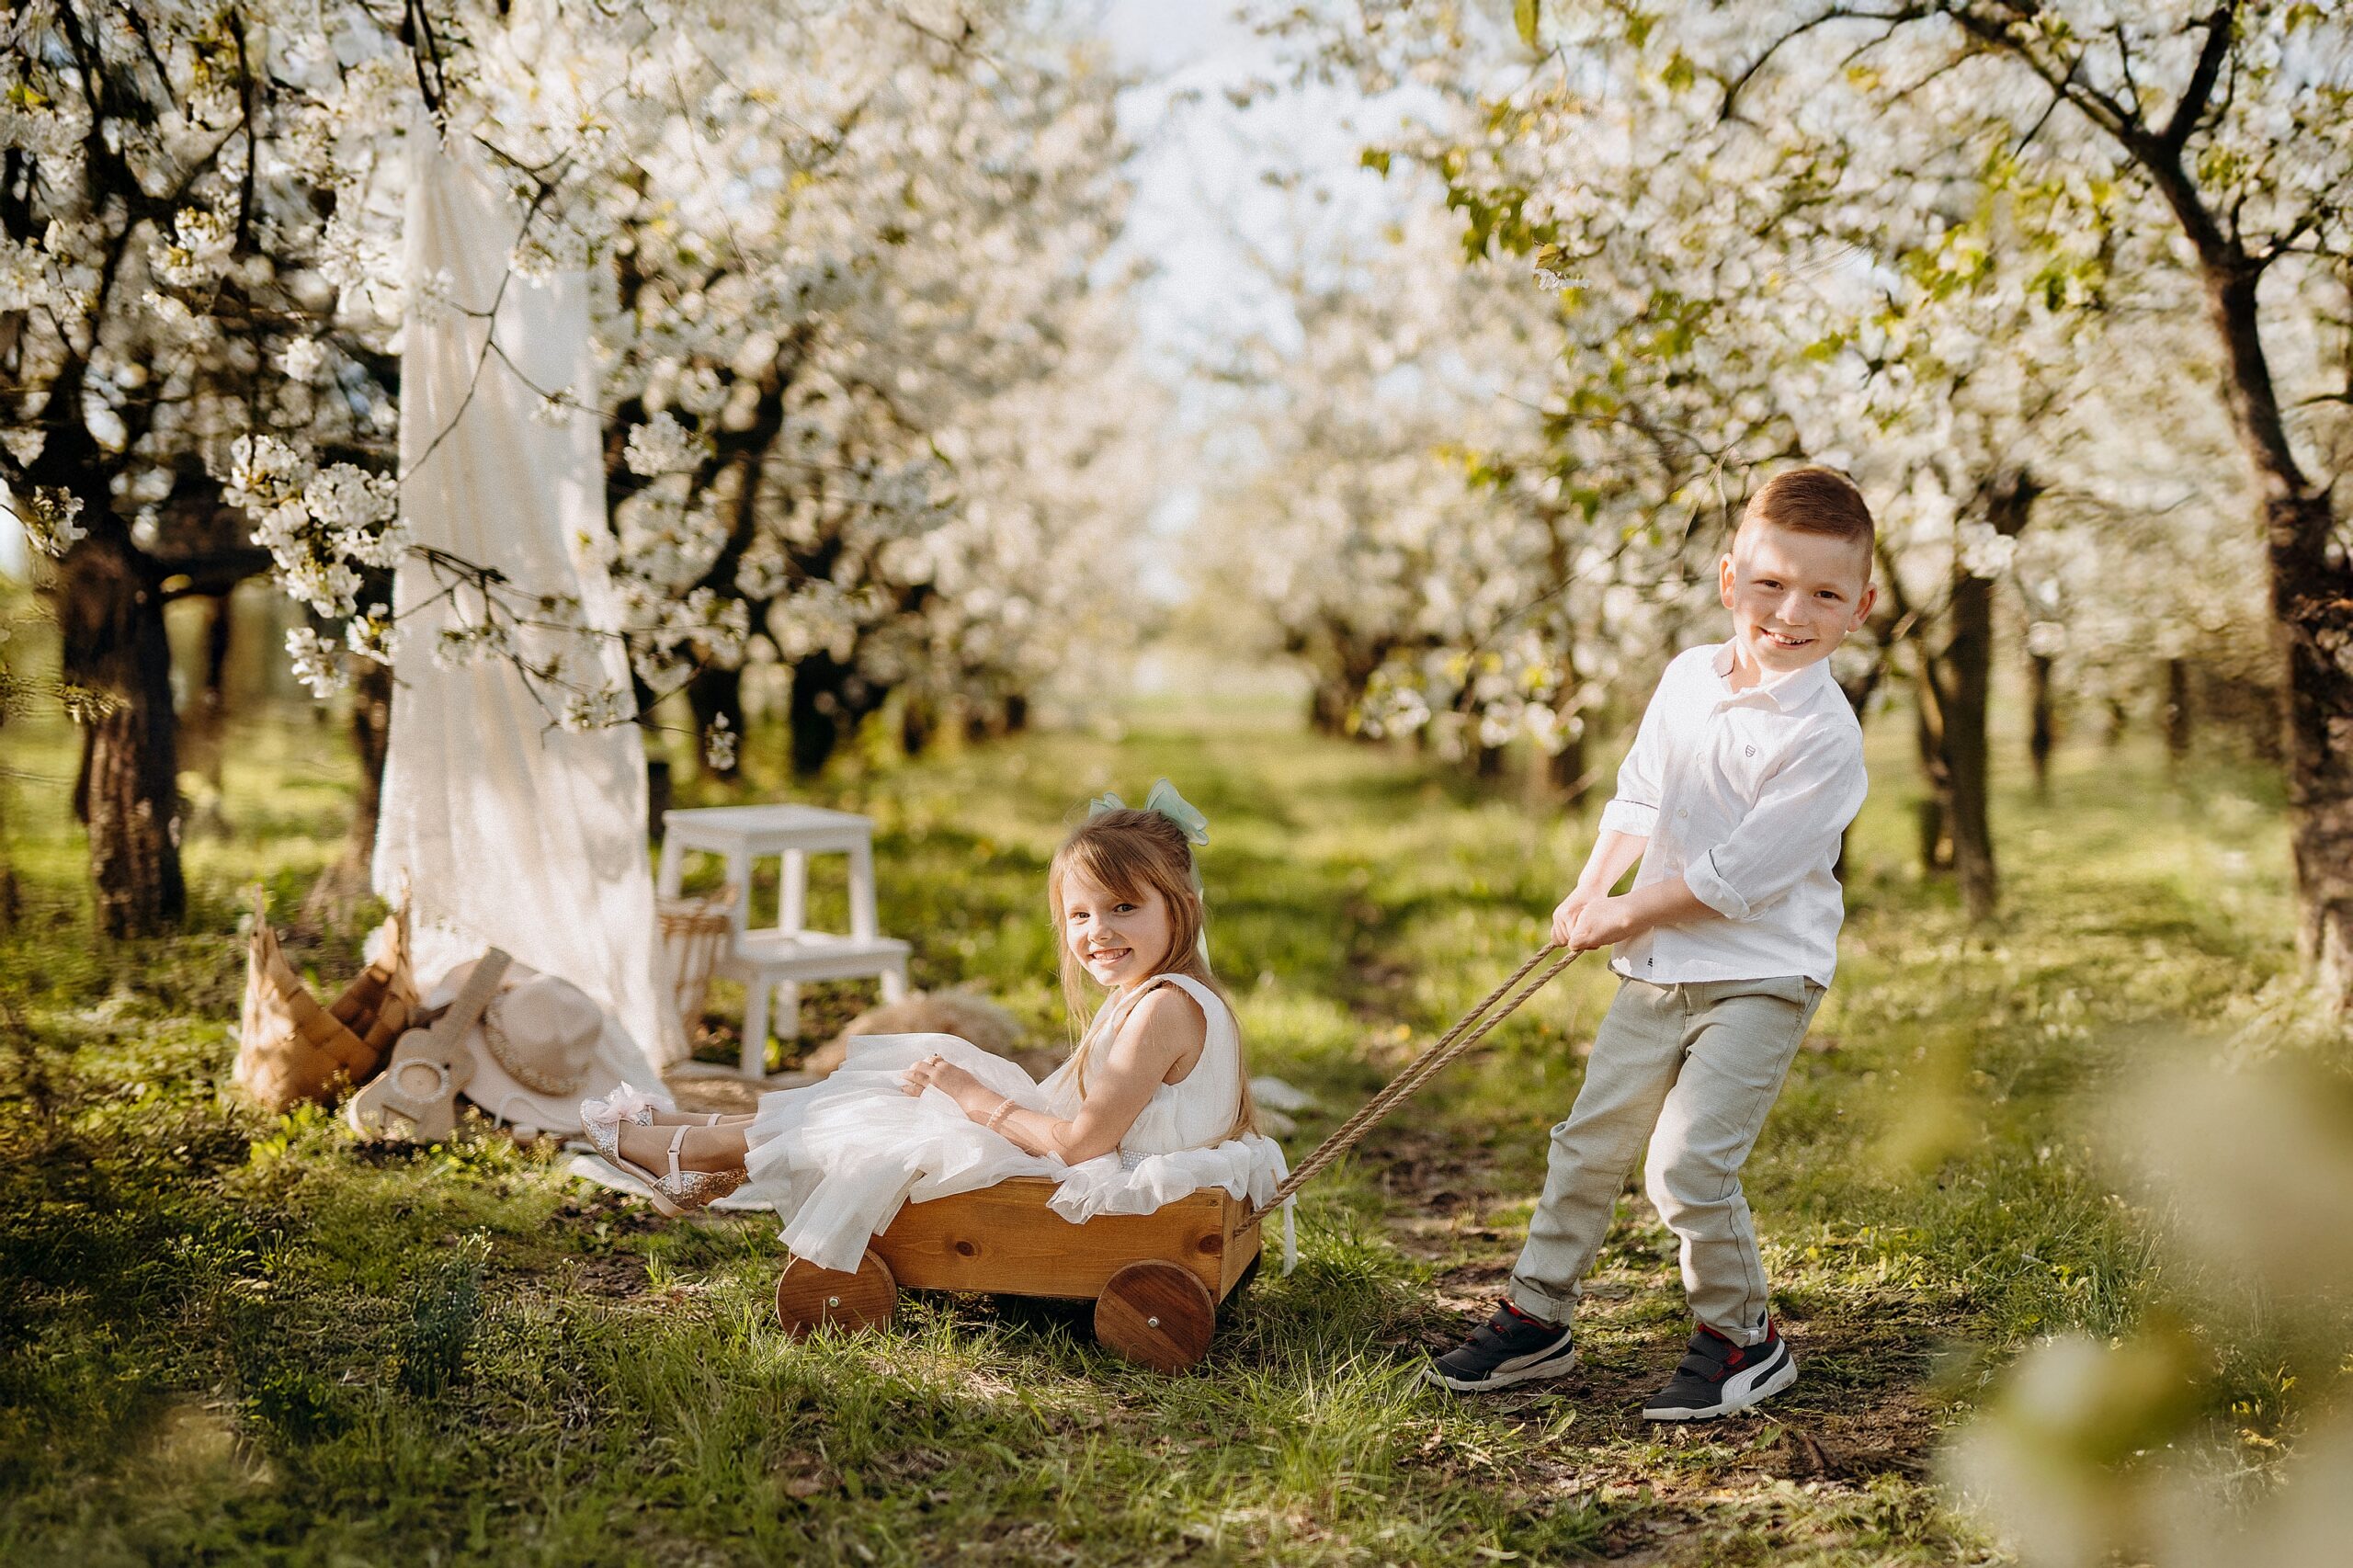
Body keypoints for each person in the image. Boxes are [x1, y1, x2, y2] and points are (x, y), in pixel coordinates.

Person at [1427, 467, 1876, 1419]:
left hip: (1761, 975)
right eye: (1770, 583)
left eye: (1824, 594)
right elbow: (1639, 794)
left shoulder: (1825, 737)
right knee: (1587, 1143)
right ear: (1728, 579)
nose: (1791, 613)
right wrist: (1593, 885)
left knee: (1686, 1165)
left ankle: (1742, 1336)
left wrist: (1625, 912)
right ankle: (1536, 1315)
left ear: (1861, 607)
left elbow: (1734, 879)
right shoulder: (1685, 678)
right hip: (1659, 967)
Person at [581, 785, 1287, 1275]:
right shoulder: (1170, 996)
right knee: (904, 1081)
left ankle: (700, 1150)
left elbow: (1079, 1144)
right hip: (1106, 1169)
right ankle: (705, 1138)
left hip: (1105, 1189)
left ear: (1181, 907)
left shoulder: (1162, 1008)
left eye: (1123, 908)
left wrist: (977, 1100)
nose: (1097, 931)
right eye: (1080, 915)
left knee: (910, 1106)